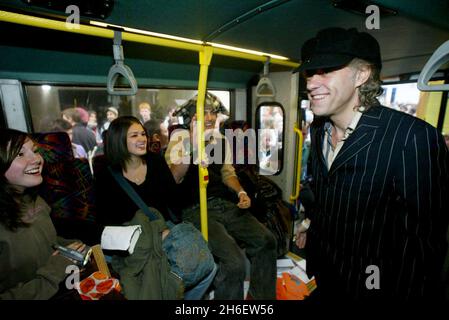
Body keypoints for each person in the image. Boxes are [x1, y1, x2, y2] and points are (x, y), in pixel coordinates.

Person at [294, 27, 449, 299]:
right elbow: (327, 196)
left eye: (325, 70)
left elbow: (423, 245)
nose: (310, 83)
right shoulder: (319, 129)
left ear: (362, 74)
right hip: (325, 275)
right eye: (309, 72)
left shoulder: (412, 138)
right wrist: (311, 226)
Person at [166, 92, 277, 300]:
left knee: (266, 240)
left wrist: (241, 192)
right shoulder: (179, 139)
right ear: (192, 117)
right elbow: (174, 177)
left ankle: (260, 298)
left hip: (222, 203)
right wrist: (193, 142)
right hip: (194, 208)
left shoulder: (221, 140)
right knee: (234, 262)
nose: (210, 117)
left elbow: (228, 174)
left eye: (213, 113)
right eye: (205, 113)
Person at [0, 128, 86, 299]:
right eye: (20, 154)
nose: (36, 159)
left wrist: (74, 248)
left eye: (35, 151)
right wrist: (54, 271)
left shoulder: (34, 200)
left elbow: (45, 242)